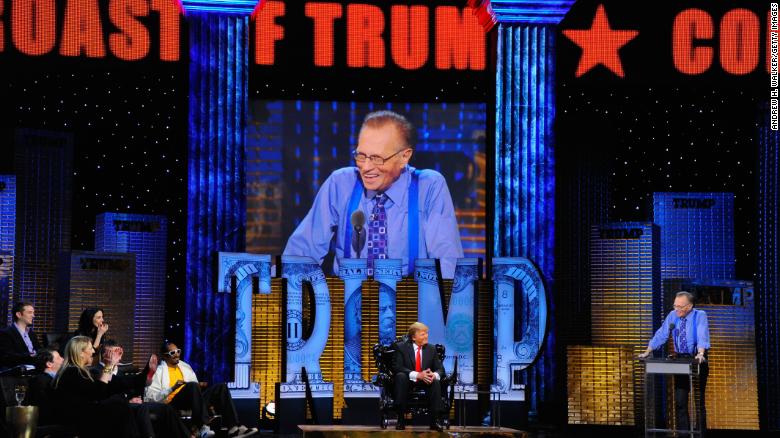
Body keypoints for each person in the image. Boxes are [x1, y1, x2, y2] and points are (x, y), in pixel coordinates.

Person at [283, 110, 463, 278]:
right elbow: (301, 254)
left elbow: (447, 265)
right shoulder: (341, 183)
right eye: (361, 156)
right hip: (349, 303)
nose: (366, 167)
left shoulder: (429, 186)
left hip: (409, 305)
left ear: (404, 157)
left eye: (377, 158)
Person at [144, 342, 257, 438]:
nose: (176, 355)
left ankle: (234, 427)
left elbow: (195, 387)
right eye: (172, 353)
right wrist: (173, 388)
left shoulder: (185, 366)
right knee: (192, 386)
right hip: (173, 404)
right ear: (164, 356)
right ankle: (202, 427)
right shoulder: (159, 372)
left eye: (178, 351)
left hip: (192, 400)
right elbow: (150, 397)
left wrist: (200, 385)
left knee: (221, 387)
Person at [639, 291, 710, 434]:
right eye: (675, 305)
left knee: (698, 401)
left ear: (689, 306)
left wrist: (701, 353)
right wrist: (648, 350)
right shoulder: (673, 315)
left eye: (680, 306)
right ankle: (684, 434)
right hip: (681, 361)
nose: (676, 309)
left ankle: (699, 434)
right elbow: (662, 333)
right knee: (680, 402)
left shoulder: (699, 315)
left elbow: (703, 333)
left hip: (697, 359)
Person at [90, 340, 191, 438]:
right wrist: (128, 399)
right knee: (140, 407)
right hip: (117, 405)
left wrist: (136, 396)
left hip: (130, 402)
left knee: (166, 408)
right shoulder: (96, 371)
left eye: (118, 352)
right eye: (113, 353)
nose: (117, 356)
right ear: (104, 355)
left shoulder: (119, 371)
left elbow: (130, 387)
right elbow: (104, 392)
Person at [53, 336, 139, 438]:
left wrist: (141, 379)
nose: (94, 351)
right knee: (120, 407)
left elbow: (108, 386)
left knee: (119, 402)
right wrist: (108, 366)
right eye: (90, 348)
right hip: (78, 419)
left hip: (86, 415)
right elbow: (99, 394)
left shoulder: (79, 371)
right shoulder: (73, 372)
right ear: (80, 352)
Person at [391, 322, 446, 431]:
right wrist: (417, 375)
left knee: (435, 381)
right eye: (423, 334)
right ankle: (401, 419)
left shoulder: (431, 349)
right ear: (413, 337)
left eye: (426, 333)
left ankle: (435, 421)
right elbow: (397, 367)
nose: (426, 336)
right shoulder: (401, 347)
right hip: (408, 379)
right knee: (400, 376)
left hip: (426, 381)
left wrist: (433, 375)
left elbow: (440, 370)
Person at [25, 347, 63, 425]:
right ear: (49, 364)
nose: (63, 359)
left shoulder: (50, 379)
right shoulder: (41, 381)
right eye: (59, 358)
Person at [0, 302, 42, 368]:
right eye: (30, 312)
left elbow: (39, 351)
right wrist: (29, 355)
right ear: (19, 314)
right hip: (16, 373)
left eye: (33, 313)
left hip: (35, 369)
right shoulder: (6, 333)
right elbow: (7, 357)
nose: (33, 316)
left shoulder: (32, 333)